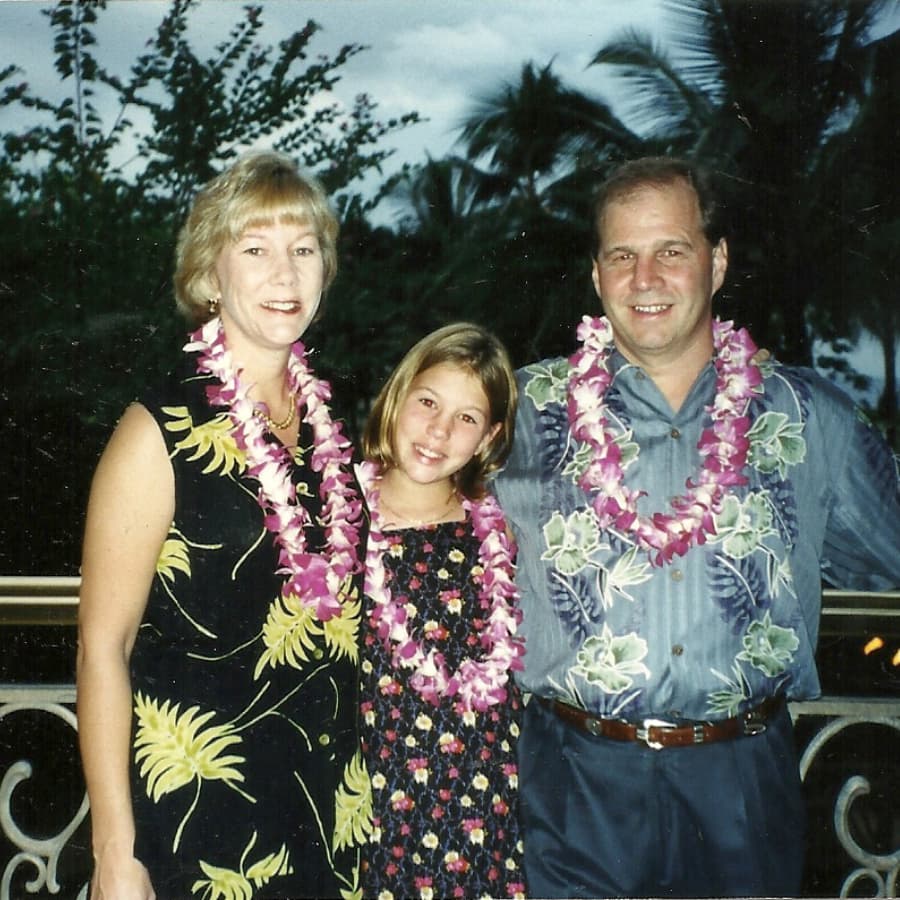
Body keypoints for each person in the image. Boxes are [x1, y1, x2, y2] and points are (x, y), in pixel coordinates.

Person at [494, 156, 900, 898]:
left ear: (716, 262)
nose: (645, 277)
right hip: (575, 789)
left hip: (741, 786)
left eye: (671, 250)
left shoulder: (808, 416)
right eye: (623, 255)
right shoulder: (518, 411)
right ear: (597, 275)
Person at [76, 151, 369, 899]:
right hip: (201, 821)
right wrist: (115, 854)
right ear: (210, 276)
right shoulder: (158, 431)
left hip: (326, 809)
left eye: (304, 250)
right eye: (256, 249)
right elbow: (101, 648)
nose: (286, 273)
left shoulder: (332, 427)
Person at [356, 322, 528, 900]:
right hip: (367, 813)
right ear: (398, 395)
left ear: (488, 437)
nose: (440, 430)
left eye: (467, 417)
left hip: (482, 816)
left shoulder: (500, 533)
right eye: (428, 402)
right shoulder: (334, 518)